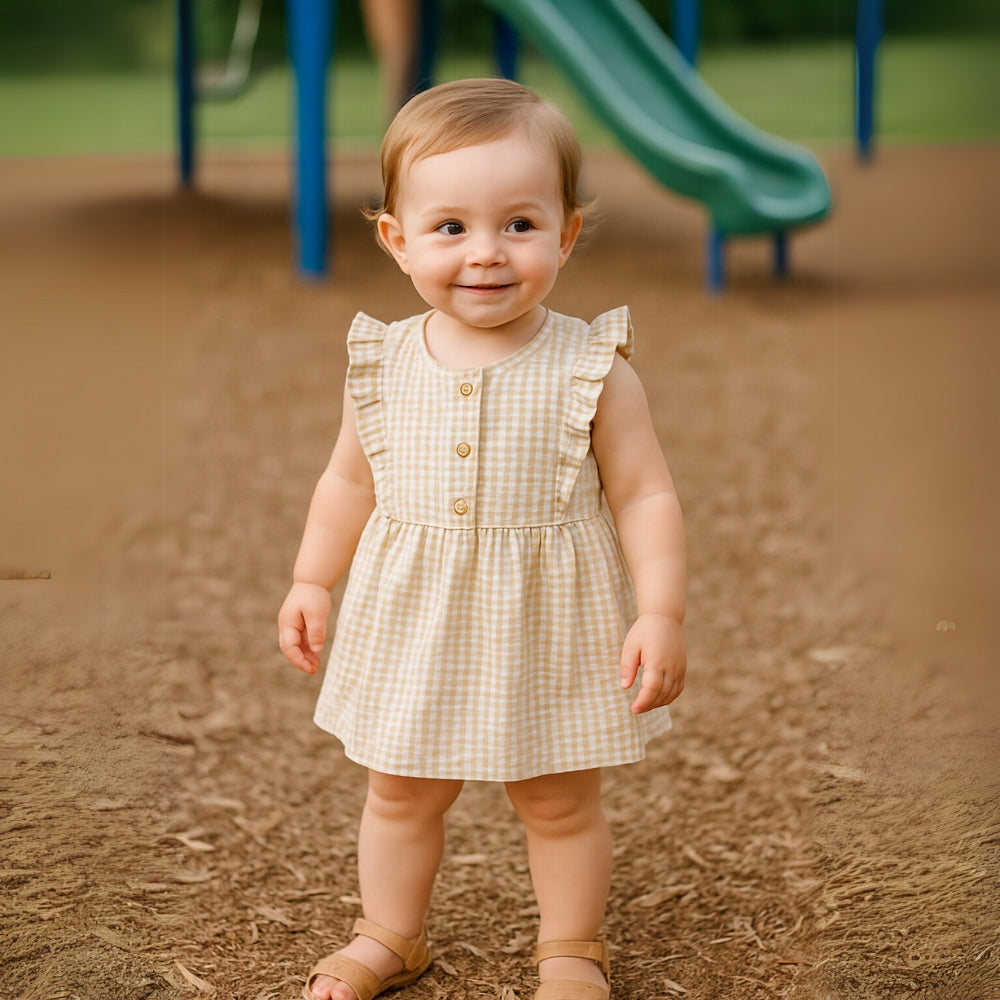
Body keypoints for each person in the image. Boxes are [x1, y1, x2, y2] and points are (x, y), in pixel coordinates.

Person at [278, 77, 687, 1000]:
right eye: (451, 228)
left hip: (551, 622)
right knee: (401, 792)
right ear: (397, 240)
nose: (487, 254)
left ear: (567, 232)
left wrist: (660, 609)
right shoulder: (380, 362)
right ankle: (389, 934)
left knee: (557, 800)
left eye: (520, 224)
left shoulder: (592, 366)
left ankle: (573, 950)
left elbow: (647, 494)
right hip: (413, 619)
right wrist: (312, 581)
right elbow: (348, 479)